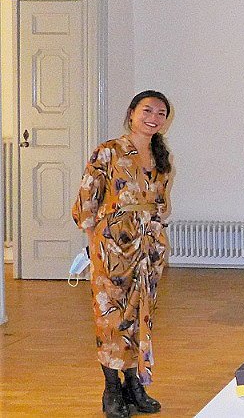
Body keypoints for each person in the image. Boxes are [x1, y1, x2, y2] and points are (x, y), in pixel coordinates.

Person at [72, 90, 173, 418]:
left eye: (160, 113)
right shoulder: (108, 151)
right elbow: (86, 201)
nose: (153, 118)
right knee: (111, 319)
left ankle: (133, 384)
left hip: (148, 250)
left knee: (140, 315)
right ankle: (111, 389)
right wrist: (95, 246)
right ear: (131, 113)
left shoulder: (161, 158)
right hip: (112, 247)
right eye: (148, 110)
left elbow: (160, 204)